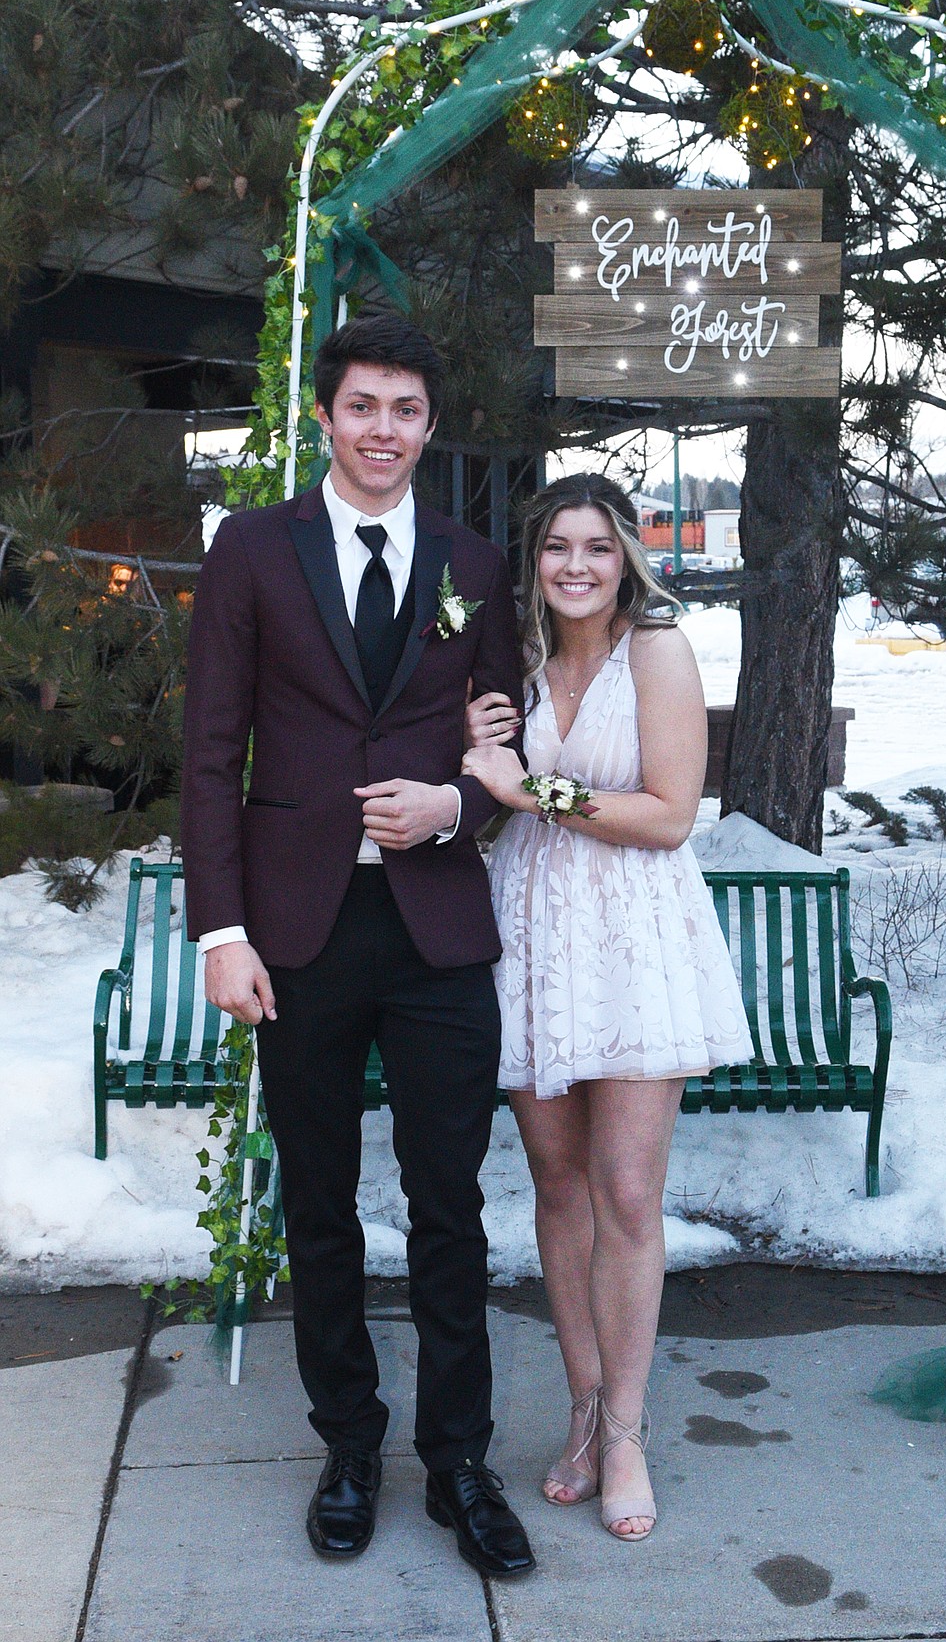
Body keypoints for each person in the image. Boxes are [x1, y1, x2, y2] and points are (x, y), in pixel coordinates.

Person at [181, 314, 535, 1578]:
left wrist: (459, 803)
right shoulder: (252, 552)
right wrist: (222, 929)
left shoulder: (475, 563)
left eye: (407, 410)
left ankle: (458, 1462)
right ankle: (347, 1444)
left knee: (453, 1208)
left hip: (437, 930)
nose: (385, 429)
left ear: (430, 427)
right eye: (364, 406)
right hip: (301, 931)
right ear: (325, 417)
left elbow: (509, 747)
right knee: (320, 1206)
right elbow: (213, 754)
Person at [460, 474, 753, 1542]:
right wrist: (479, 740)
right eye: (554, 548)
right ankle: (581, 1406)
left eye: (594, 546)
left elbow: (671, 814)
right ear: (533, 560)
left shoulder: (658, 650)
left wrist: (531, 789)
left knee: (628, 1190)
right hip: (537, 932)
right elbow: (487, 787)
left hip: (633, 933)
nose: (574, 565)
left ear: (626, 554)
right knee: (558, 1182)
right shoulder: (521, 661)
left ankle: (627, 1429)